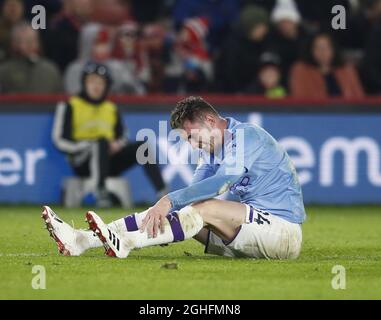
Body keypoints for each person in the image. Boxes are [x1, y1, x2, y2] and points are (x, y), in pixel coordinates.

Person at [44, 96, 306, 260]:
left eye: (192, 136)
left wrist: (168, 201)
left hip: (284, 233)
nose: (192, 145)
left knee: (201, 208)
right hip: (249, 233)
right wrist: (166, 212)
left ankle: (127, 244)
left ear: (209, 120)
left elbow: (222, 183)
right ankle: (82, 240)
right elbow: (189, 200)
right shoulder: (212, 151)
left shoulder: (248, 137)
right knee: (183, 211)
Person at [52, 61, 166, 208]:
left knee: (142, 147)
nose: (96, 86)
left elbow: (122, 135)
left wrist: (117, 145)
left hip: (109, 158)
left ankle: (162, 193)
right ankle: (101, 192)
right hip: (82, 160)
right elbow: (59, 140)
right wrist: (89, 145)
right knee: (100, 142)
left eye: (100, 82)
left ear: (106, 86)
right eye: (92, 81)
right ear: (84, 83)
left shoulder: (111, 108)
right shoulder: (70, 105)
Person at [289, 32, 364, 99]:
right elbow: (299, 98)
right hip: (315, 112)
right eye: (318, 48)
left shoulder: (347, 70)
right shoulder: (301, 70)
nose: (322, 52)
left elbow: (359, 97)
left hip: (346, 112)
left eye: (326, 47)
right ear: (311, 50)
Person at [0, 22, 62, 93]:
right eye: (25, 41)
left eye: (32, 40)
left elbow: (60, 98)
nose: (30, 45)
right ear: (14, 43)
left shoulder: (51, 70)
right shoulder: (4, 71)